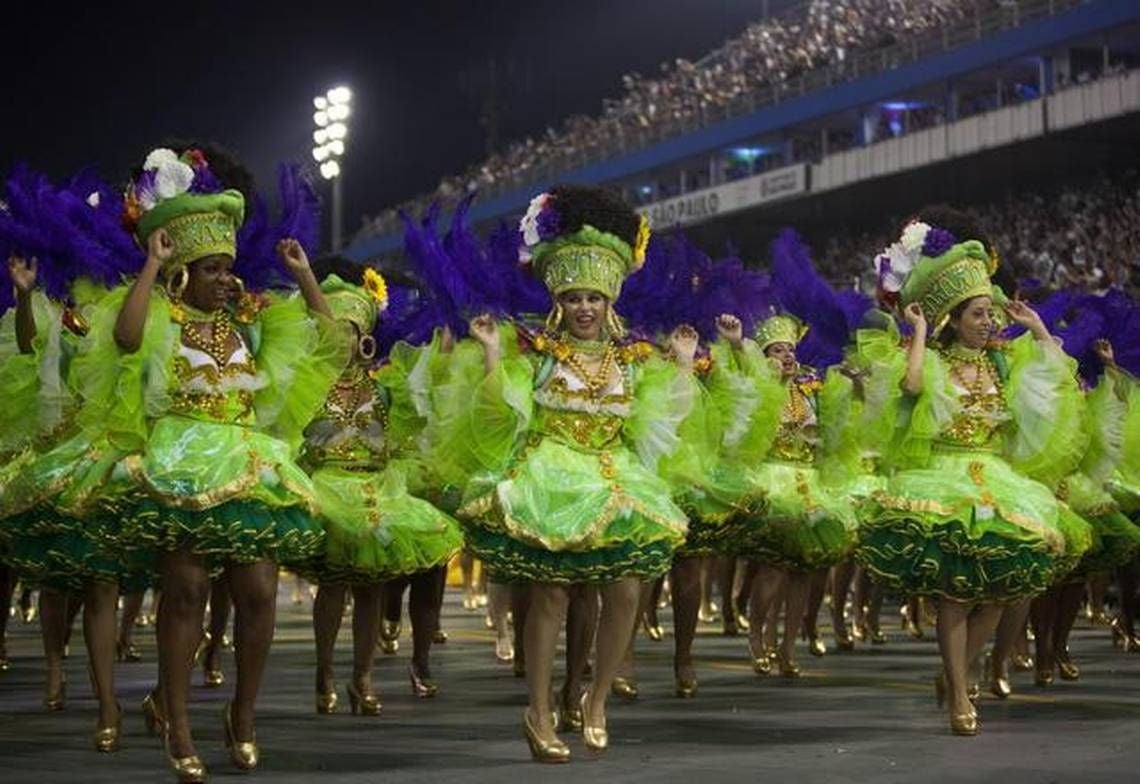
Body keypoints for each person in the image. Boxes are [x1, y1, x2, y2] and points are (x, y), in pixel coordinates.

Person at [96, 145, 342, 781]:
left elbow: (331, 339)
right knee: (186, 592)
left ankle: (243, 713)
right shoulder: (164, 318)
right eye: (211, 269)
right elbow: (124, 339)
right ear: (185, 275)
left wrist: (306, 273)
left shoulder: (253, 322)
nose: (225, 279)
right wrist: (152, 265)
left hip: (245, 457)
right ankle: (176, 722)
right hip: (182, 457)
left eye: (229, 268)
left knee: (259, 592)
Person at [440, 184, 694, 762]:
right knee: (550, 595)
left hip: (613, 477)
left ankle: (595, 698)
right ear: (559, 300)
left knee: (625, 590)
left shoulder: (632, 359)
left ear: (609, 303)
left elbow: (665, 425)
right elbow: (500, 412)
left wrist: (681, 365)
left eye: (594, 299)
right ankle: (537, 711)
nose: (585, 308)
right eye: (575, 297)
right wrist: (491, 355)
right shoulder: (537, 353)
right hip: (551, 475)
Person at [856, 209, 1091, 736]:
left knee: (1002, 592)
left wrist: (1039, 329)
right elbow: (913, 386)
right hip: (944, 478)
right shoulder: (935, 359)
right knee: (958, 593)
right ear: (953, 319)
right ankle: (961, 692)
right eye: (980, 314)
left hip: (996, 478)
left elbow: (1058, 381)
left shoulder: (1002, 363)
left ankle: (955, 674)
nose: (990, 322)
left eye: (991, 314)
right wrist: (917, 329)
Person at [303, 270, 462, 713]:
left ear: (364, 338)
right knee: (334, 587)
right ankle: (325, 669)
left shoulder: (384, 387)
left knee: (372, 588)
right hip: (327, 487)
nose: (342, 340)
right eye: (333, 331)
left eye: (350, 332)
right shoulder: (308, 383)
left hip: (376, 487)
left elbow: (425, 399)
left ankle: (362, 676)